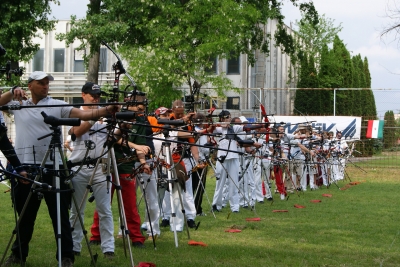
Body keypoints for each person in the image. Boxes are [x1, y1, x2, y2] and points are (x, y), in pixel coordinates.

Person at [0, 71, 118, 267]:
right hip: (25, 168)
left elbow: (84, 114)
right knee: (25, 215)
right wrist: (13, 91)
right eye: (40, 83)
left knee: (60, 215)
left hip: (53, 166)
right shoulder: (18, 105)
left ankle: (66, 257)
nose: (45, 86)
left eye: (47, 83)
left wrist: (105, 111)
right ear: (30, 85)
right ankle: (18, 254)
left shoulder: (58, 105)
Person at [90, 93, 152, 248]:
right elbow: (112, 137)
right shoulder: (115, 115)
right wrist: (135, 146)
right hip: (109, 164)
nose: (141, 111)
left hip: (126, 166)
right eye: (138, 108)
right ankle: (96, 235)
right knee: (104, 203)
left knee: (130, 205)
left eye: (142, 109)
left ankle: (136, 237)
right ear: (129, 104)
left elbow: (140, 143)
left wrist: (143, 162)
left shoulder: (140, 121)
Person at [67, 82, 115, 258]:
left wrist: (121, 127)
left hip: (100, 167)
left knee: (105, 209)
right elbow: (77, 132)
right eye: (92, 95)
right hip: (79, 167)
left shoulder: (106, 114)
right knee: (76, 210)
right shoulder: (73, 112)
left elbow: (113, 138)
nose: (96, 99)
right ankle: (74, 246)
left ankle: (108, 247)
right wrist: (96, 116)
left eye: (98, 96)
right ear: (83, 95)